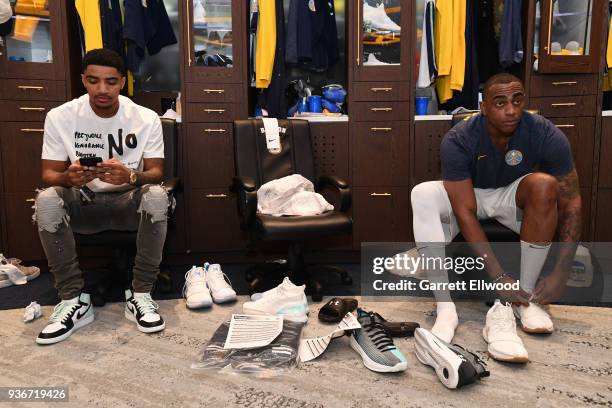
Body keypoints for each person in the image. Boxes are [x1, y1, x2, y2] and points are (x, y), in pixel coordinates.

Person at [410, 73, 581, 361]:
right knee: (422, 194)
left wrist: (561, 270)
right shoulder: (460, 138)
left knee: (544, 185)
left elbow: (572, 200)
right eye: (500, 102)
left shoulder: (544, 132)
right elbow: (464, 211)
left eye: (517, 100)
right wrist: (499, 275)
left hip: (510, 196)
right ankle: (446, 309)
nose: (511, 110)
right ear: (484, 106)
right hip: (468, 195)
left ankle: (524, 299)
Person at [33, 48, 171, 345]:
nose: (102, 90)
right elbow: (49, 175)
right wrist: (68, 178)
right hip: (83, 201)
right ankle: (73, 300)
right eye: (94, 81)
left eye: (110, 82)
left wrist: (131, 176)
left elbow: (157, 172)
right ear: (83, 80)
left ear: (123, 82)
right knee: (46, 199)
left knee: (158, 196)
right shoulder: (60, 117)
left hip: (127, 203)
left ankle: (141, 293)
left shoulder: (145, 118)